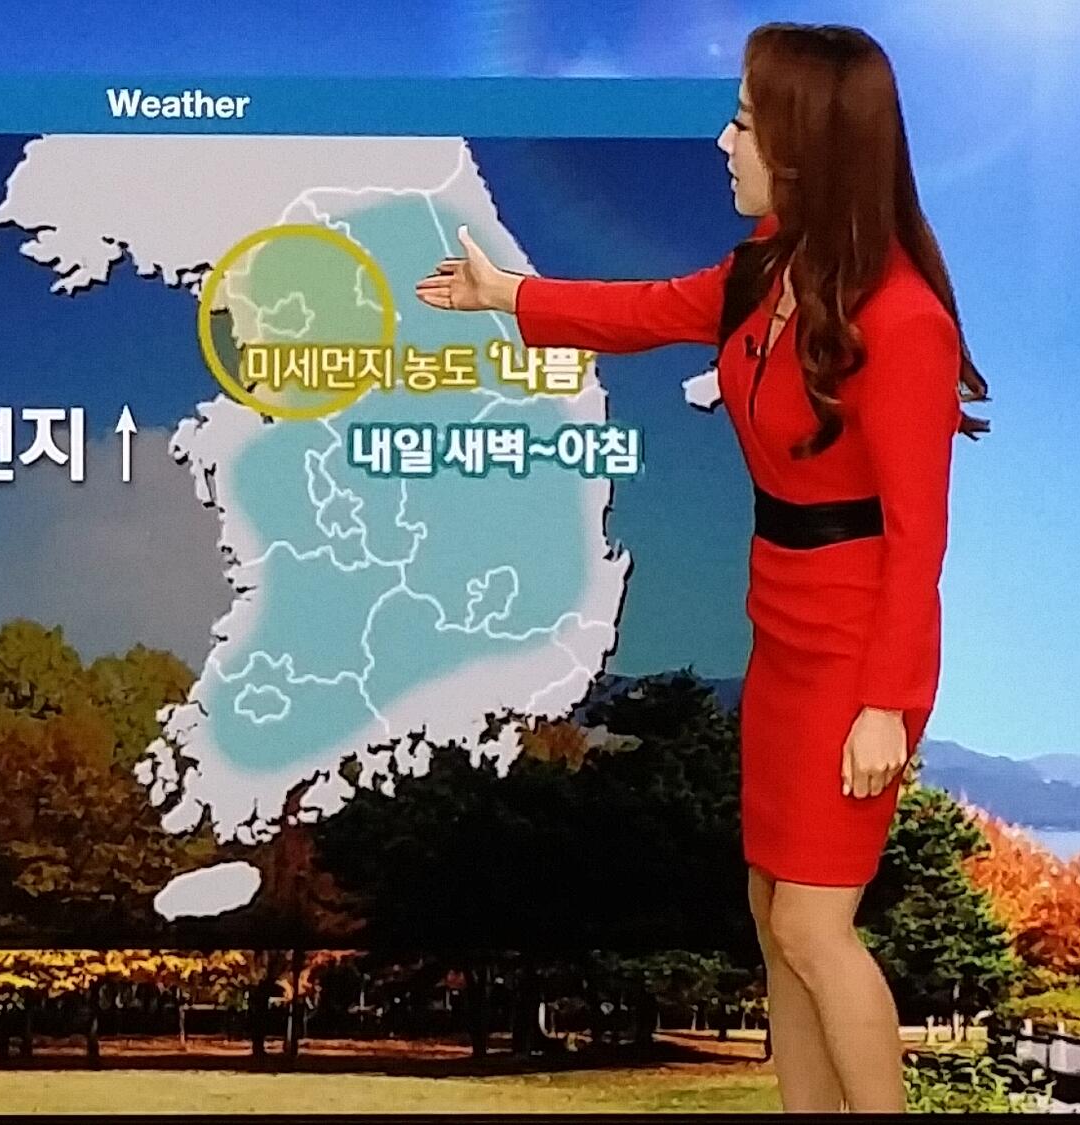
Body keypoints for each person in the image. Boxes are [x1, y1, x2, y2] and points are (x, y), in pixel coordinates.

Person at [415, 21, 988, 1115]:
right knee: (773, 913)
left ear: (807, 147)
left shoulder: (900, 320)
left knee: (814, 924)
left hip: (858, 650)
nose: (723, 143)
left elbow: (918, 540)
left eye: (743, 123)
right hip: (782, 627)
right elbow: (644, 311)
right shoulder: (766, 271)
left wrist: (884, 703)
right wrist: (507, 296)